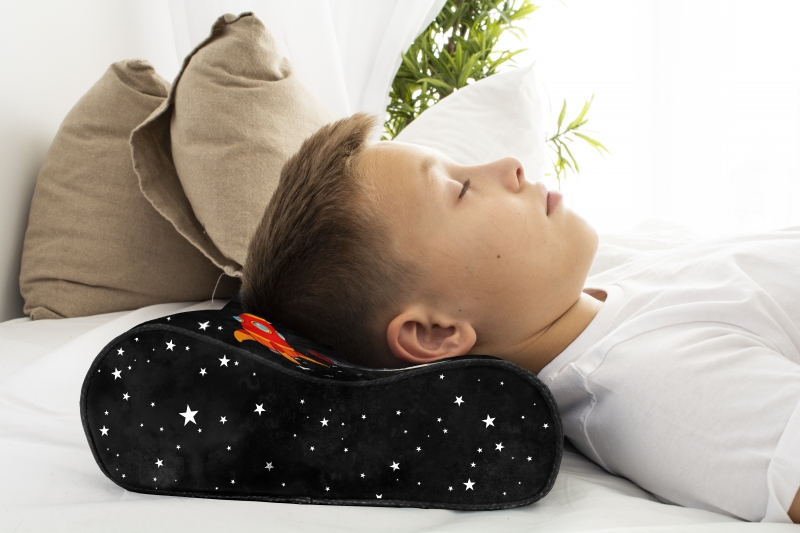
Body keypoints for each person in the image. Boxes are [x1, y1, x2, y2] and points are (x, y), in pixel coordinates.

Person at [240, 113, 800, 523]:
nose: (508, 165)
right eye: (461, 189)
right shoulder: (660, 384)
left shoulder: (591, 285)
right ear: (434, 333)